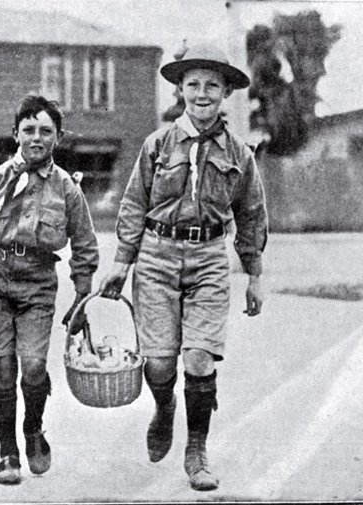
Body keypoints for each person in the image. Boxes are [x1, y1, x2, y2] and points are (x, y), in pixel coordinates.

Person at [98, 44, 268, 492]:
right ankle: (164, 408)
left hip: (210, 257)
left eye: (213, 85)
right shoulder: (157, 144)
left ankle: (196, 450)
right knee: (157, 365)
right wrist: (121, 263)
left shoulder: (240, 154)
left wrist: (254, 273)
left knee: (197, 357)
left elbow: (251, 214)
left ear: (227, 91)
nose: (203, 93)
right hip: (156, 256)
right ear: (180, 89)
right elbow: (135, 204)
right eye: (193, 84)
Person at [0, 94, 99, 485]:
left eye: (46, 131)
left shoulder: (66, 188)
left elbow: (84, 243)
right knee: (4, 370)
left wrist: (82, 297)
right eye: (28, 130)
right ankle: (7, 451)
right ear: (15, 134)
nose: (36, 138)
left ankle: (33, 427)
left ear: (58, 138)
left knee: (32, 365)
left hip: (38, 285)